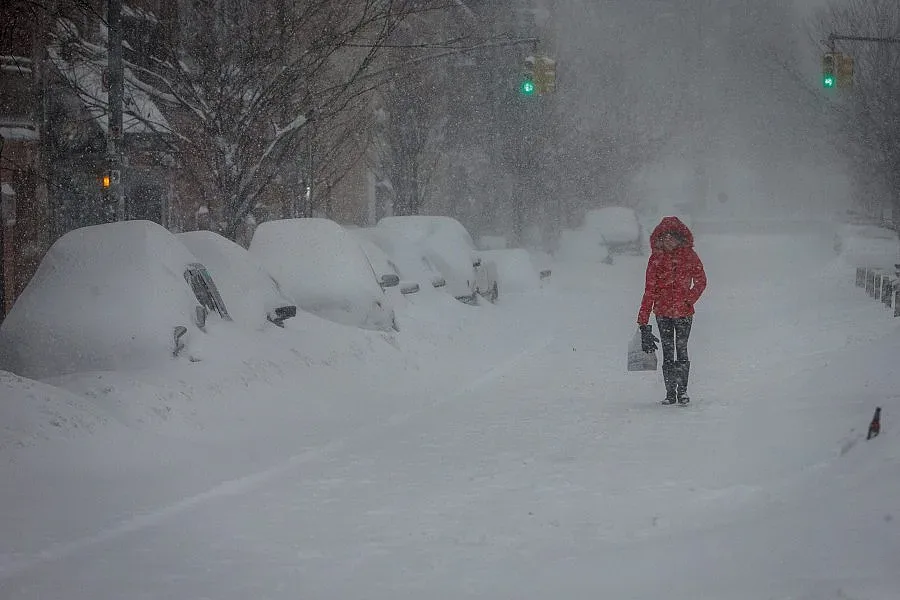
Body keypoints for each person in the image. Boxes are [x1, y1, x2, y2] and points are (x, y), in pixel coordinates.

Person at [637, 216, 707, 405]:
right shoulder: (656, 259)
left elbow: (701, 280)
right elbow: (649, 289)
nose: (668, 240)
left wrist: (688, 300)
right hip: (663, 313)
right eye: (664, 237)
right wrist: (643, 321)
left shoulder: (689, 256)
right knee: (668, 352)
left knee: (681, 349)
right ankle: (670, 393)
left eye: (671, 236)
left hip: (684, 313)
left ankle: (682, 391)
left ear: (679, 238)